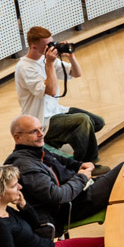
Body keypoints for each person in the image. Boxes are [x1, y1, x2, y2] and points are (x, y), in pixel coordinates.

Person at [7, 115, 115, 234]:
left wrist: (79, 165)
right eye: (34, 131)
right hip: (73, 205)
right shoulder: (26, 167)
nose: (41, 134)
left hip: (79, 190)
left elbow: (56, 158)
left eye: (41, 129)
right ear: (18, 137)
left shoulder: (33, 149)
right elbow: (57, 196)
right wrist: (82, 177)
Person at [14, 27, 105, 164]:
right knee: (83, 121)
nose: (51, 48)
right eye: (47, 45)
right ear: (33, 46)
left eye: (52, 43)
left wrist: (71, 57)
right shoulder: (25, 67)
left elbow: (76, 73)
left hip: (56, 111)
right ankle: (86, 163)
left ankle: (56, 140)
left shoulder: (46, 59)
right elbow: (51, 90)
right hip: (41, 119)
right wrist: (49, 64)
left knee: (97, 122)